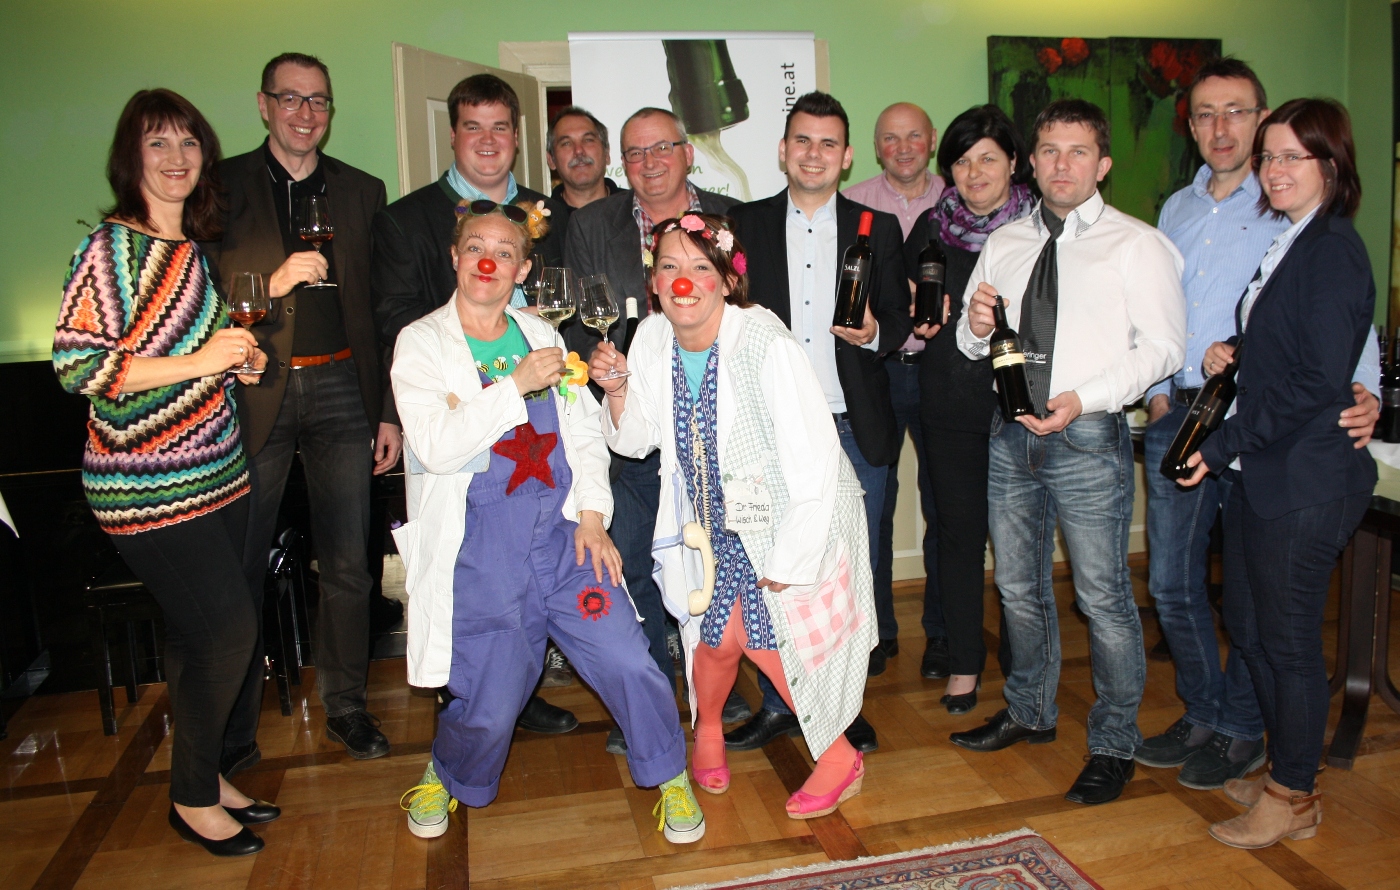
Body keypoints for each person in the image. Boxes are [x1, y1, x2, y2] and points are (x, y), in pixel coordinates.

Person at [390, 201, 702, 844]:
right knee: (491, 693)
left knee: (628, 657)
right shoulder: (421, 343)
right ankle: (448, 771)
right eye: (475, 247)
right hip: (481, 549)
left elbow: (583, 434)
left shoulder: (543, 336)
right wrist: (512, 387)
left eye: (504, 252)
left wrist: (592, 517)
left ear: (523, 270)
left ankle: (669, 772)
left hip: (563, 538)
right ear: (454, 257)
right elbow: (435, 445)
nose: (487, 262)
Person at [1137, 58, 1381, 791]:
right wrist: (1199, 372)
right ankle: (1217, 722)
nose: (1274, 168)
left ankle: (1267, 757)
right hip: (1210, 430)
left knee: (1282, 634)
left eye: (1238, 113)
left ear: (1327, 163)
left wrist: (1363, 387)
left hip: (1275, 449)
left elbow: (1331, 351)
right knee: (1207, 602)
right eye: (1205, 113)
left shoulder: (1319, 235)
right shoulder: (1208, 217)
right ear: (1190, 124)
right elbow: (1268, 330)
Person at [590, 212, 877, 819]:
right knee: (716, 636)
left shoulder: (765, 343)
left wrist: (793, 555)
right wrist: (616, 392)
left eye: (700, 266)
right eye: (669, 266)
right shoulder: (652, 338)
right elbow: (636, 440)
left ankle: (838, 754)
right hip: (713, 526)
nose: (683, 281)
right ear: (654, 282)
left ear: (726, 278)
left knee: (767, 639)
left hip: (792, 517)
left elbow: (816, 460)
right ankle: (710, 730)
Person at [55, 88, 276, 856]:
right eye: (158, 143)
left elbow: (189, 357)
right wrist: (202, 359)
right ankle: (190, 800)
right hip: (146, 486)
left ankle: (204, 775)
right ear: (131, 158)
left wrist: (236, 364)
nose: (177, 158)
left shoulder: (188, 251)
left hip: (218, 474)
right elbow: (80, 366)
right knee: (228, 634)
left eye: (188, 143)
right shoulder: (112, 250)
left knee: (196, 638)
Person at [950, 99, 1186, 807]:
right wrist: (975, 324)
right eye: (1050, 150)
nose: (1062, 164)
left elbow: (1165, 349)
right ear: (1032, 162)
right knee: (1016, 588)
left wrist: (1084, 398)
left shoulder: (1137, 245)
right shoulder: (1006, 242)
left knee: (1102, 597)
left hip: (1087, 436)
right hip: (1011, 434)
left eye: (1078, 151)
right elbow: (970, 343)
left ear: (1102, 164)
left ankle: (1114, 743)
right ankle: (1030, 711)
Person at [205, 52, 398, 764]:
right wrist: (273, 281)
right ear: (263, 105)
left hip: (345, 388)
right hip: (254, 391)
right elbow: (199, 299)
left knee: (349, 564)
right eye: (290, 98)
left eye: (318, 100)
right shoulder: (219, 187)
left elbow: (378, 310)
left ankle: (346, 707)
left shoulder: (362, 191)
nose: (305, 113)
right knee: (241, 563)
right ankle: (232, 725)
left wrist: (387, 410)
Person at [372, 72, 575, 735]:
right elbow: (396, 321)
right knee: (469, 574)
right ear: (453, 134)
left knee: (528, 562)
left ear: (517, 136)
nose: (487, 141)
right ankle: (467, 714)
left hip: (536, 415)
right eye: (472, 127)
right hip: (461, 413)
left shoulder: (551, 211)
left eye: (500, 127)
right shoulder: (407, 219)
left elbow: (566, 301)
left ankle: (520, 688)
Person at [726, 91, 908, 754]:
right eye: (802, 140)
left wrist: (874, 331)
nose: (814, 153)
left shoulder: (877, 228)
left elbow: (897, 321)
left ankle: (843, 706)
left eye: (828, 143)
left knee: (851, 574)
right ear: (782, 150)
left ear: (847, 155)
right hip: (769, 430)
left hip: (852, 423)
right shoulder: (741, 224)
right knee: (776, 570)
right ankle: (782, 703)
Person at [566, 107, 742, 753]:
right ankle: (649, 703)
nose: (649, 163)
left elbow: (746, 306)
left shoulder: (730, 215)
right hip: (628, 421)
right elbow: (578, 319)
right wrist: (607, 369)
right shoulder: (592, 223)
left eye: (662, 148)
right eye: (635, 153)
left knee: (718, 564)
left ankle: (720, 690)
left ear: (687, 153)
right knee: (634, 568)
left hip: (709, 430)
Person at [901, 104, 1036, 712]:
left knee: (1021, 542)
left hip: (1024, 405)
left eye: (988, 158)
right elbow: (907, 306)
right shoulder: (931, 229)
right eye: (961, 161)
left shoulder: (1042, 229)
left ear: (1013, 162)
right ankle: (963, 663)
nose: (975, 172)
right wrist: (911, 310)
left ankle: (1026, 661)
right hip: (951, 401)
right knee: (957, 536)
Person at [842, 102, 946, 677]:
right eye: (890, 138)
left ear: (931, 139)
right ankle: (877, 631)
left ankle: (942, 634)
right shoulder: (852, 204)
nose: (903, 148)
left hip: (941, 373)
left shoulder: (958, 202)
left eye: (913, 136)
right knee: (871, 511)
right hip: (875, 372)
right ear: (875, 146)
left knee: (944, 507)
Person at [546, 105, 620, 230]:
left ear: (606, 154)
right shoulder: (539, 224)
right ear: (551, 160)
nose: (579, 151)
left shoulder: (637, 211)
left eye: (588, 140)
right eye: (566, 143)